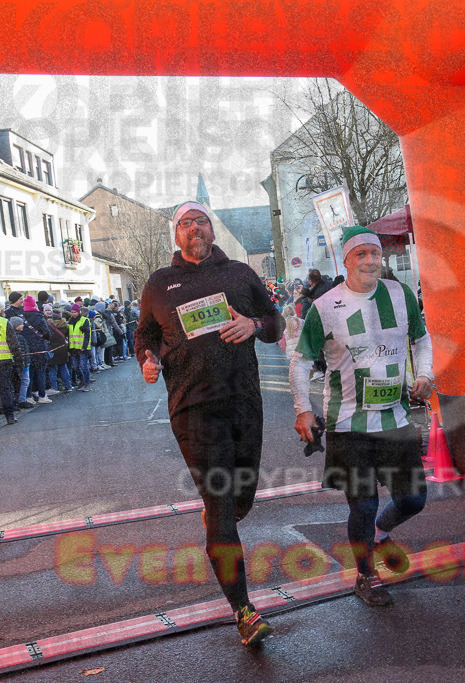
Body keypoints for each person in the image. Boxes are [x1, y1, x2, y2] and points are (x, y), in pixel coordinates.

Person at [135, 200, 283, 647]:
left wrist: (254, 324)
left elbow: (275, 323)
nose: (194, 228)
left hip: (244, 401)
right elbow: (145, 334)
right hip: (193, 407)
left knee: (242, 498)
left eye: (200, 221)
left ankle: (222, 513)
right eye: (185, 223)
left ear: (212, 229)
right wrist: (148, 358)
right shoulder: (160, 283)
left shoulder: (240, 273)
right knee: (220, 506)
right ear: (174, 236)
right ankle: (243, 609)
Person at [289, 225, 434, 607]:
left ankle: (380, 532)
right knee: (363, 503)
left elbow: (421, 339)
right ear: (347, 260)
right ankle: (365, 576)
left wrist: (424, 374)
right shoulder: (325, 306)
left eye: (374, 253)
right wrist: (303, 409)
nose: (369, 260)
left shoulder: (400, 294)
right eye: (360, 254)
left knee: (414, 499)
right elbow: (301, 361)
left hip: (395, 419)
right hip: (348, 423)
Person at [21, 295, 53, 405]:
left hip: (26, 349)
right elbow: (47, 333)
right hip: (40, 347)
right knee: (41, 373)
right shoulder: (39, 316)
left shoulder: (22, 316)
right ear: (34, 304)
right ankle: (42, 395)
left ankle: (29, 395)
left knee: (30, 374)